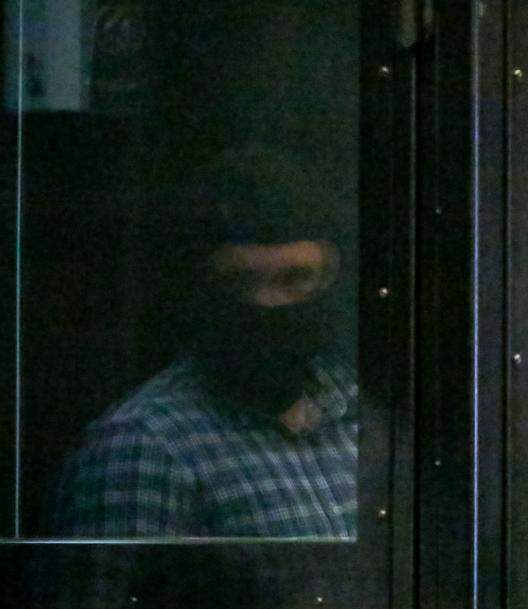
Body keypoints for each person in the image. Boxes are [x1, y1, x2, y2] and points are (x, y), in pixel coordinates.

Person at [53, 146, 359, 538]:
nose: (269, 305)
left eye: (295, 279)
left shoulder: (356, 417)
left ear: (329, 277)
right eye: (240, 282)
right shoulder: (143, 450)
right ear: (202, 288)